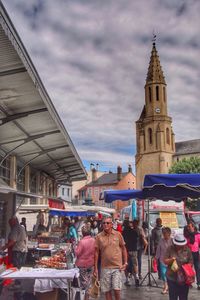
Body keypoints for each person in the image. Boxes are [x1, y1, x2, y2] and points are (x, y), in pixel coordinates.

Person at [94, 217, 127, 300]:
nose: (105, 224)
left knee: (117, 289)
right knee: (107, 290)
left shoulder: (118, 234)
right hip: (105, 267)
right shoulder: (99, 236)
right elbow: (96, 252)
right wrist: (95, 268)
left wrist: (125, 262)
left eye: (108, 223)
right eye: (104, 223)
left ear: (112, 224)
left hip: (117, 267)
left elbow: (123, 248)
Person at [164, 234, 193, 300]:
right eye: (178, 245)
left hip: (184, 278)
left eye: (181, 245)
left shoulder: (187, 250)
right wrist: (171, 260)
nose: (180, 246)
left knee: (183, 297)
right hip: (172, 278)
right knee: (173, 297)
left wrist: (185, 268)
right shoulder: (170, 248)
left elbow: (191, 262)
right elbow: (165, 260)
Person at [75, 226, 96, 300]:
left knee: (84, 283)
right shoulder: (93, 240)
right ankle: (86, 297)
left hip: (82, 265)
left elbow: (77, 253)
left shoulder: (82, 241)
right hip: (91, 263)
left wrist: (75, 247)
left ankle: (85, 297)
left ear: (83, 233)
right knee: (89, 281)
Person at [122, 221, 140, 287]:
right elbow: (137, 239)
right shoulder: (134, 231)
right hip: (134, 250)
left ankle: (127, 280)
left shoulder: (123, 232)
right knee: (135, 264)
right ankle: (137, 277)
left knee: (126, 264)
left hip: (126, 250)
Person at [156, 227, 172, 294]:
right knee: (163, 274)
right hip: (162, 260)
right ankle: (165, 286)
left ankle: (167, 287)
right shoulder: (161, 241)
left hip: (171, 261)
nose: (164, 235)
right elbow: (158, 250)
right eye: (163, 233)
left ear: (169, 234)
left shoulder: (172, 241)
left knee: (170, 275)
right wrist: (156, 258)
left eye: (165, 233)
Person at [184, 221, 200, 290]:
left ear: (193, 227)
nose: (188, 228)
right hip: (188, 255)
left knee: (198, 269)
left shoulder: (198, 235)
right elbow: (184, 245)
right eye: (188, 227)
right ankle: (189, 283)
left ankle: (199, 284)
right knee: (188, 269)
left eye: (189, 227)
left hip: (196, 254)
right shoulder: (186, 235)